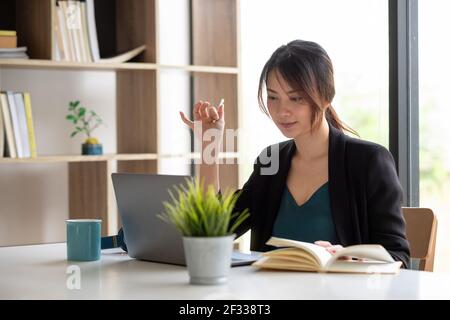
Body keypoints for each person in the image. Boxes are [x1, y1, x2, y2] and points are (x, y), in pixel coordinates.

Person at [180, 39, 410, 268]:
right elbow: (212, 230)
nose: (282, 111)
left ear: (325, 97)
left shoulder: (368, 161)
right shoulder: (272, 161)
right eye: (273, 97)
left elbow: (398, 256)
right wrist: (209, 144)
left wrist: (352, 258)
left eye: (296, 98)